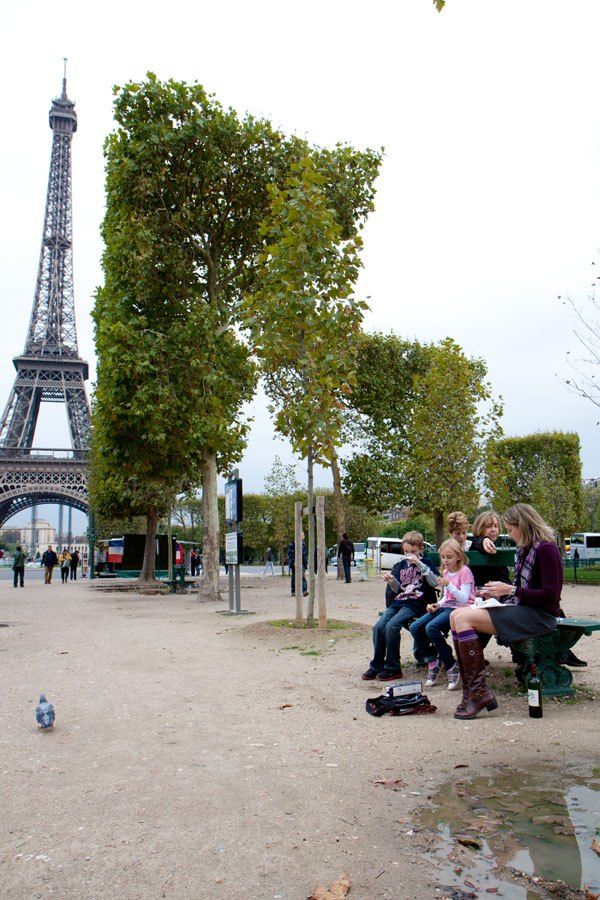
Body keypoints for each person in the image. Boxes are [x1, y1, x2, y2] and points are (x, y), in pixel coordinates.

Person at [450, 503, 562, 720]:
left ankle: (479, 693)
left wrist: (510, 589)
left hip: (540, 616)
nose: (509, 534)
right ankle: (472, 692)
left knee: (463, 618)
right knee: (456, 616)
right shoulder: (526, 549)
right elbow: (522, 592)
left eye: (510, 529)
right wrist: (497, 595)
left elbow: (551, 596)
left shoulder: (546, 549)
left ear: (523, 525)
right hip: (523, 609)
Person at [362, 531, 438, 682]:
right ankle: (377, 665)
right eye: (406, 551)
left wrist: (419, 563)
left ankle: (393, 667)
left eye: (413, 552)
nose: (409, 555)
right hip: (399, 602)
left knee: (392, 626)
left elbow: (434, 582)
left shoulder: (427, 563)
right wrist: (391, 580)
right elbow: (398, 588)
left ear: (421, 548)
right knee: (378, 627)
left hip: (416, 603)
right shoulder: (400, 565)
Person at [410, 539, 475, 690]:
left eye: (449, 557)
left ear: (458, 556)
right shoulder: (446, 572)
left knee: (431, 628)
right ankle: (432, 661)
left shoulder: (464, 572)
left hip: (460, 609)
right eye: (443, 557)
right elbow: (446, 597)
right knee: (415, 627)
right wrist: (437, 604)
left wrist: (449, 585)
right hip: (446, 606)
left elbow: (464, 599)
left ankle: (450, 663)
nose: (445, 560)